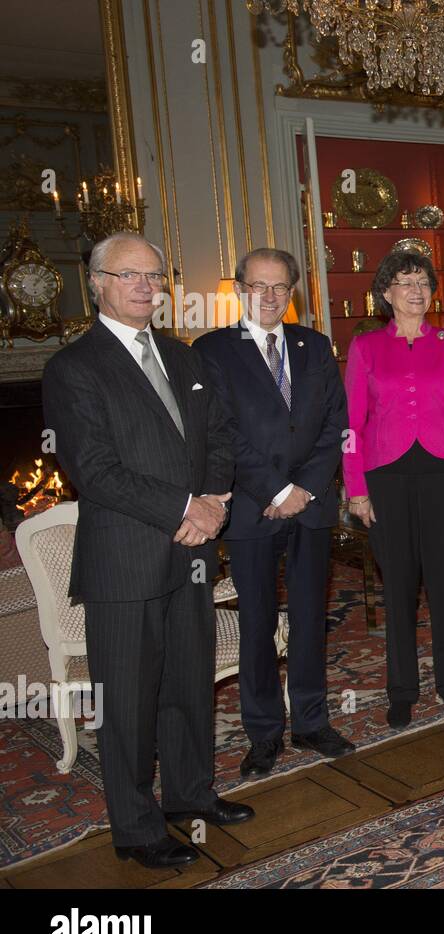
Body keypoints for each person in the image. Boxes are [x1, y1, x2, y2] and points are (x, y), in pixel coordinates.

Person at [42, 232, 252, 869]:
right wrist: (185, 509)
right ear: (97, 283)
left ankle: (189, 795)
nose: (145, 287)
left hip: (190, 553)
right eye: (128, 275)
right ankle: (134, 829)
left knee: (188, 686)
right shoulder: (73, 368)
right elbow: (97, 471)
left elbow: (218, 434)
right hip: (126, 562)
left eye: (154, 276)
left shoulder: (182, 356)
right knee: (128, 704)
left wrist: (214, 501)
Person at [194, 248, 353, 778]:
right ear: (240, 288)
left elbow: (336, 424)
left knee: (311, 618)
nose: (269, 296)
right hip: (251, 509)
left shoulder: (315, 345)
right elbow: (219, 433)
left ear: (292, 293)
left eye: (280, 287)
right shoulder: (212, 350)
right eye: (258, 286)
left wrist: (305, 488)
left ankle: (311, 721)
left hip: (310, 507)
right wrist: (277, 488)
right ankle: (263, 733)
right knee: (257, 625)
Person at [343, 251, 444, 727]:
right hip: (385, 478)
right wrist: (356, 488)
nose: (415, 291)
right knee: (400, 585)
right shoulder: (366, 348)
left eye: (423, 282)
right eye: (404, 282)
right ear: (385, 294)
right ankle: (402, 690)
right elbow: (351, 424)